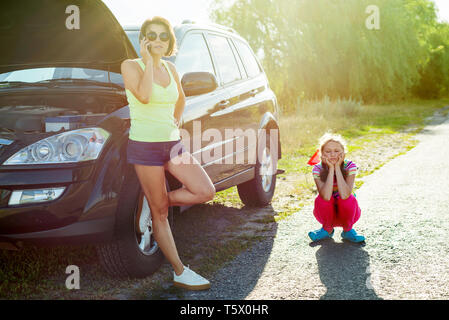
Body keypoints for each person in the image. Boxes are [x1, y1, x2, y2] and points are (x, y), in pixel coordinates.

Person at [121, 16, 215, 290]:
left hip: (173, 144)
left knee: (204, 190)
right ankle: (179, 271)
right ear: (144, 39)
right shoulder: (130, 66)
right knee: (162, 215)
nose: (158, 40)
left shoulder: (173, 70)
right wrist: (149, 61)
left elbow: (181, 99)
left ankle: (155, 204)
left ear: (170, 41)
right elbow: (145, 96)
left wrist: (174, 120)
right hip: (145, 147)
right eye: (152, 35)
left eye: (164, 36)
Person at [308, 133, 365, 243]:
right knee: (320, 199)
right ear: (322, 154)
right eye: (328, 152)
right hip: (326, 214)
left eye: (337, 151)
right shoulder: (317, 168)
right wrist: (330, 169)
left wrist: (337, 168)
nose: (333, 155)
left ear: (343, 153)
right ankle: (327, 229)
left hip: (348, 214)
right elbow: (325, 195)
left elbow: (345, 194)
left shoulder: (350, 166)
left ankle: (348, 231)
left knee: (349, 198)